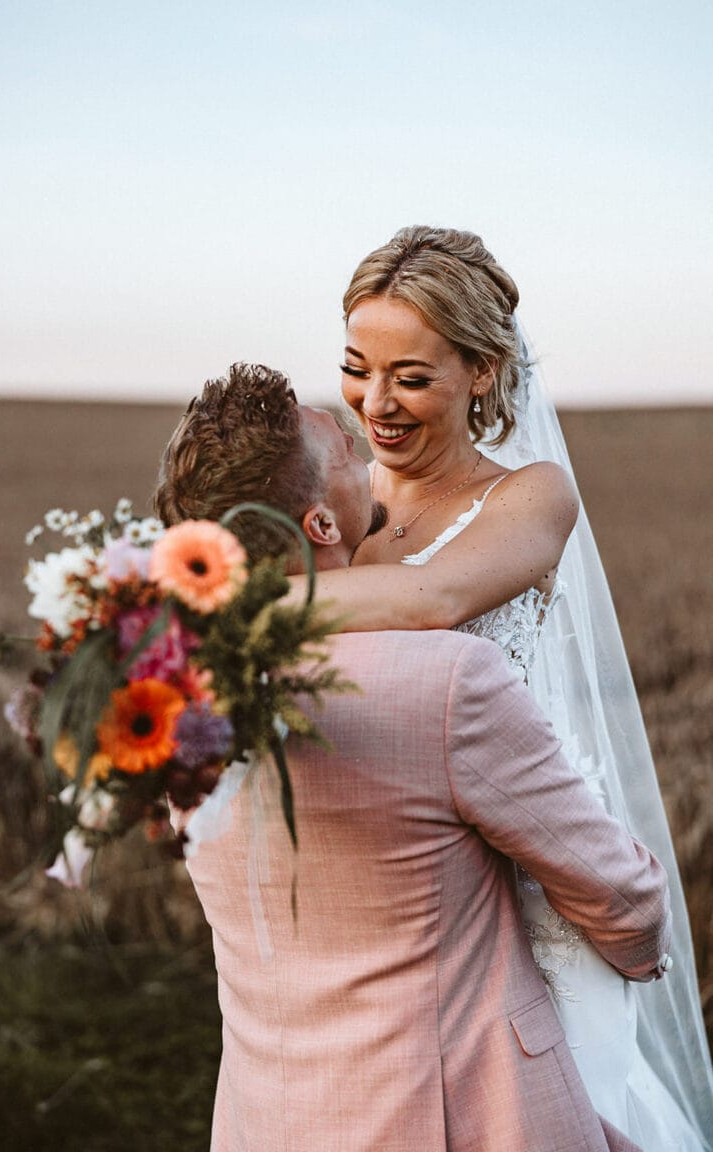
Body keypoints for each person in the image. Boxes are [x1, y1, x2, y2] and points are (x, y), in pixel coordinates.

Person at [153, 362, 672, 1152]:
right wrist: (620, 966)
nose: (373, 457)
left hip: (268, 1118)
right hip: (461, 1117)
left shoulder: (174, 707)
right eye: (349, 454)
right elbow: (625, 901)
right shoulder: (446, 681)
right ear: (322, 525)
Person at [284, 226, 713, 1149]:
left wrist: (229, 606)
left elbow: (433, 598)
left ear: (482, 371)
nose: (375, 403)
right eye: (358, 368)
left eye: (412, 375)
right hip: (388, 882)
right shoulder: (339, 504)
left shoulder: (530, 496)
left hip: (526, 886)